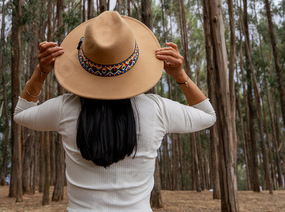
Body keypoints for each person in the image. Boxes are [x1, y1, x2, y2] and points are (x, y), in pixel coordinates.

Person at [14, 11, 216, 211]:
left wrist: (40, 72)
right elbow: (208, 115)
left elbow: (21, 113)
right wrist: (180, 75)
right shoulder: (157, 109)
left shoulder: (64, 108)